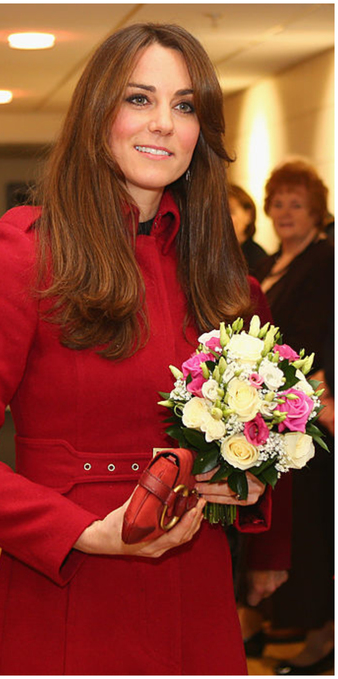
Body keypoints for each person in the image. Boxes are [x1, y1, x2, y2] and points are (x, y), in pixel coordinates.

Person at [0, 23, 284, 675]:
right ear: (97, 112)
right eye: (138, 99)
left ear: (201, 131)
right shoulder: (29, 256)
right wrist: (77, 532)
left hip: (198, 595)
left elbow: (257, 447)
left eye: (184, 105)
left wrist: (245, 477)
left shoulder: (227, 282)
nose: (162, 124)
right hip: (72, 586)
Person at [247, 160, 334, 675]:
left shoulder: (324, 261)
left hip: (309, 416)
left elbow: (312, 339)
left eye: (295, 204)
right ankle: (300, 626)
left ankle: (323, 640)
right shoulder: (274, 262)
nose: (283, 212)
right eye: (277, 202)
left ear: (317, 212)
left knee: (316, 532)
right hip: (278, 415)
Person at [229, 184, 268, 277]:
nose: (223, 218)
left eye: (231, 212)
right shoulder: (210, 255)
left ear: (248, 215)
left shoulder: (257, 258)